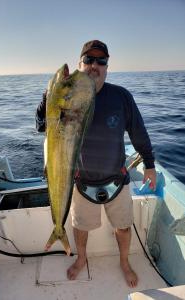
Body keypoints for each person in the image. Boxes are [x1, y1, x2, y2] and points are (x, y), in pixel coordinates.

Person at [36, 40, 156, 288]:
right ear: (81, 64)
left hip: (117, 180)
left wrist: (151, 165)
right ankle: (81, 258)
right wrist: (45, 104)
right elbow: (42, 128)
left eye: (101, 61)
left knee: (123, 227)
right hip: (80, 181)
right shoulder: (66, 96)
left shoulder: (121, 96)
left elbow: (139, 134)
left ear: (107, 67)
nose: (94, 65)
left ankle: (124, 261)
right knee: (81, 228)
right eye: (89, 60)